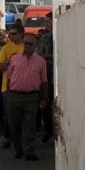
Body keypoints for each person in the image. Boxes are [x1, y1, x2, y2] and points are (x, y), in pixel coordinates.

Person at [6, 33, 48, 161]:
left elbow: (44, 81)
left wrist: (45, 98)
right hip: (14, 96)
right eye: (26, 43)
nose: (28, 46)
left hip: (31, 97)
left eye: (31, 44)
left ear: (36, 45)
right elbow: (8, 78)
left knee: (30, 125)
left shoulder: (41, 61)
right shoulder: (15, 59)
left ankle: (29, 151)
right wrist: (8, 95)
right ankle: (19, 149)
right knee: (14, 125)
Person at [0, 24, 25, 148]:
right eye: (10, 33)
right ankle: (8, 137)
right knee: (9, 115)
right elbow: (0, 66)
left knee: (22, 116)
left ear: (21, 34)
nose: (10, 36)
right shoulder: (6, 47)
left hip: (23, 86)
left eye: (14, 33)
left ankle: (22, 139)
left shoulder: (26, 47)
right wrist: (8, 64)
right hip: (7, 87)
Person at [37, 12, 54, 143]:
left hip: (53, 74)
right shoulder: (43, 36)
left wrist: (47, 57)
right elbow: (40, 55)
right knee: (45, 103)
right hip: (45, 75)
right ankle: (48, 130)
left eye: (48, 21)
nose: (46, 24)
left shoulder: (56, 34)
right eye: (46, 21)